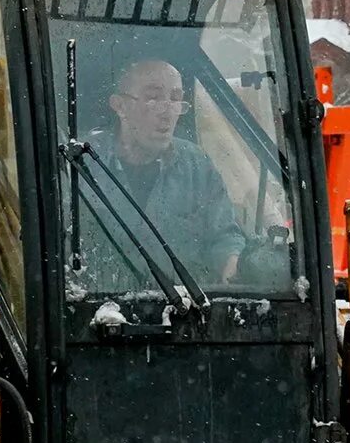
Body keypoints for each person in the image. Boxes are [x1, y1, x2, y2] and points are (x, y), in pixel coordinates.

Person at [81, 58, 246, 286]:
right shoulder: (81, 164)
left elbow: (224, 238)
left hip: (182, 312)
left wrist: (233, 267)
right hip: (99, 311)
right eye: (153, 98)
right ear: (120, 106)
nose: (167, 112)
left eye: (176, 99)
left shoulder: (197, 166)